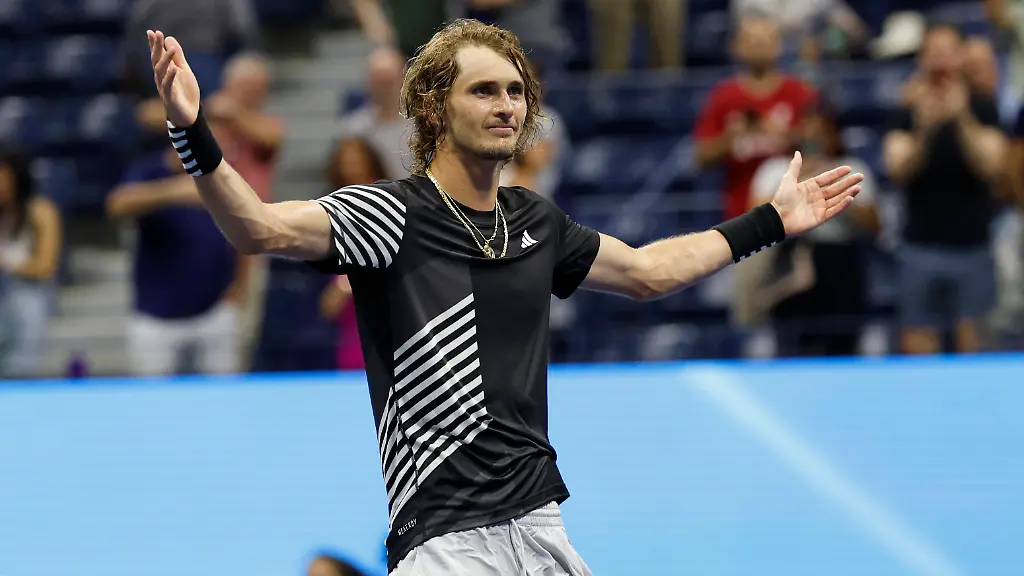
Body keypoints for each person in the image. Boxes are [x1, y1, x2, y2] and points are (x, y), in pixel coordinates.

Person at [145, 18, 861, 574]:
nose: (507, 106)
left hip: (542, 530)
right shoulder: (391, 214)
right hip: (445, 541)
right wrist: (190, 129)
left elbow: (649, 271)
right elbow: (258, 227)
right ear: (434, 106)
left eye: (516, 92)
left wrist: (770, 220)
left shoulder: (534, 220)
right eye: (484, 90)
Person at [882, 22, 1007, 354]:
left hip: (972, 247)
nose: (940, 59)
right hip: (919, 247)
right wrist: (925, 128)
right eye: (933, 51)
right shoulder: (907, 108)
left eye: (948, 51)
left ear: (962, 56)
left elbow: (992, 166)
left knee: (976, 349)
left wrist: (961, 118)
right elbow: (897, 168)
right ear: (921, 58)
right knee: (918, 347)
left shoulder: (981, 104)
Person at [106, 143, 248, 376]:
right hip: (157, 319)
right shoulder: (150, 171)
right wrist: (175, 191)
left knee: (224, 393)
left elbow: (245, 229)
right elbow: (117, 204)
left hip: (214, 312)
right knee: (153, 396)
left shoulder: (221, 173)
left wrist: (240, 285)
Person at [318, 137, 391, 370]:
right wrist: (344, 285)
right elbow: (328, 307)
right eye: (345, 162)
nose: (351, 168)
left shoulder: (391, 208)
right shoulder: (327, 216)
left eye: (356, 161)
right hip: (353, 342)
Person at [0, 147, 62, 378]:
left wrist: (8, 263)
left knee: (25, 303)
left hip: (28, 298)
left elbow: (45, 265)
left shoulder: (40, 211)